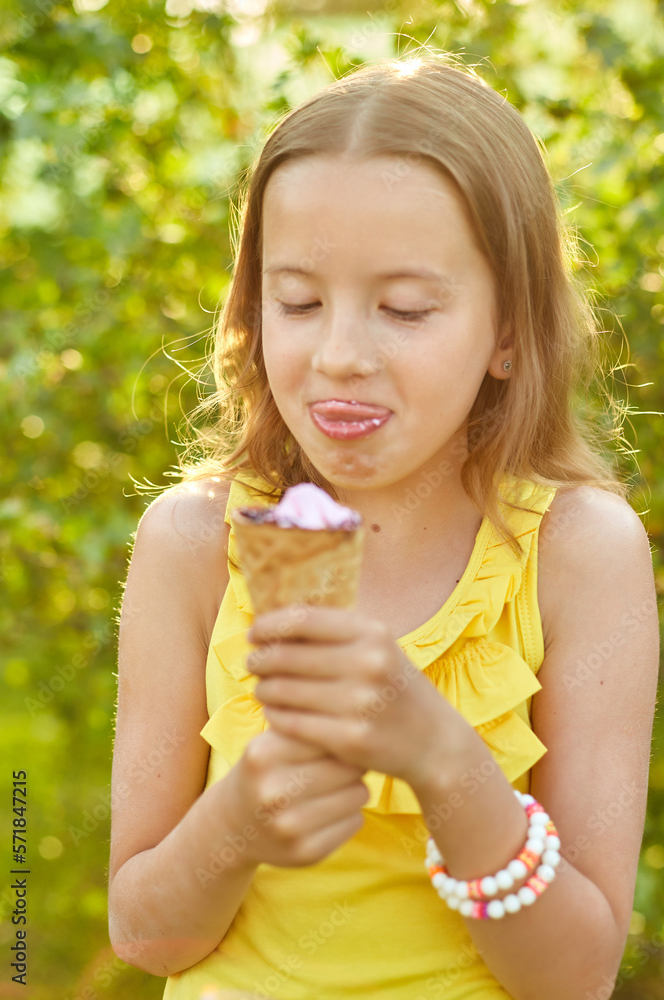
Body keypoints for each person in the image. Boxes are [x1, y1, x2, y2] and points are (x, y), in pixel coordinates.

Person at [107, 53, 660, 1000]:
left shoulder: (580, 555)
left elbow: (576, 977)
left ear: (508, 331)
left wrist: (442, 761)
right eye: (298, 301)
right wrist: (236, 823)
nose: (339, 355)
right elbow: (144, 936)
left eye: (404, 309)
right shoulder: (194, 544)